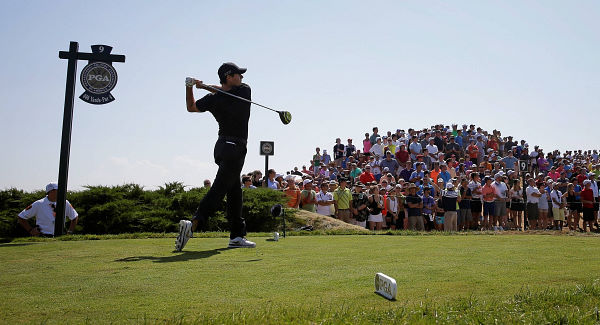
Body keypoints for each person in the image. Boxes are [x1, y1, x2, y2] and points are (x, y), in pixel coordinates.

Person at [177, 62, 255, 251]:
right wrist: (193, 87)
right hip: (234, 147)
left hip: (223, 147)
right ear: (229, 76)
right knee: (219, 189)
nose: (242, 78)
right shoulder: (242, 90)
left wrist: (195, 87)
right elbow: (192, 107)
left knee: (235, 191)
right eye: (238, 74)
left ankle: (237, 236)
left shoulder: (225, 94)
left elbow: (192, 106)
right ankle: (194, 223)